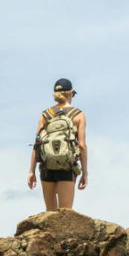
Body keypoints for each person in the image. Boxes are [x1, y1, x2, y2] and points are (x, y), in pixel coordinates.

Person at [28, 78, 87, 210]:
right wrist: (84, 173)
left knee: (50, 213)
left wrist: (31, 171)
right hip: (66, 167)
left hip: (46, 166)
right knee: (65, 213)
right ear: (70, 94)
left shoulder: (46, 115)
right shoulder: (78, 115)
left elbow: (37, 144)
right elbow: (82, 146)